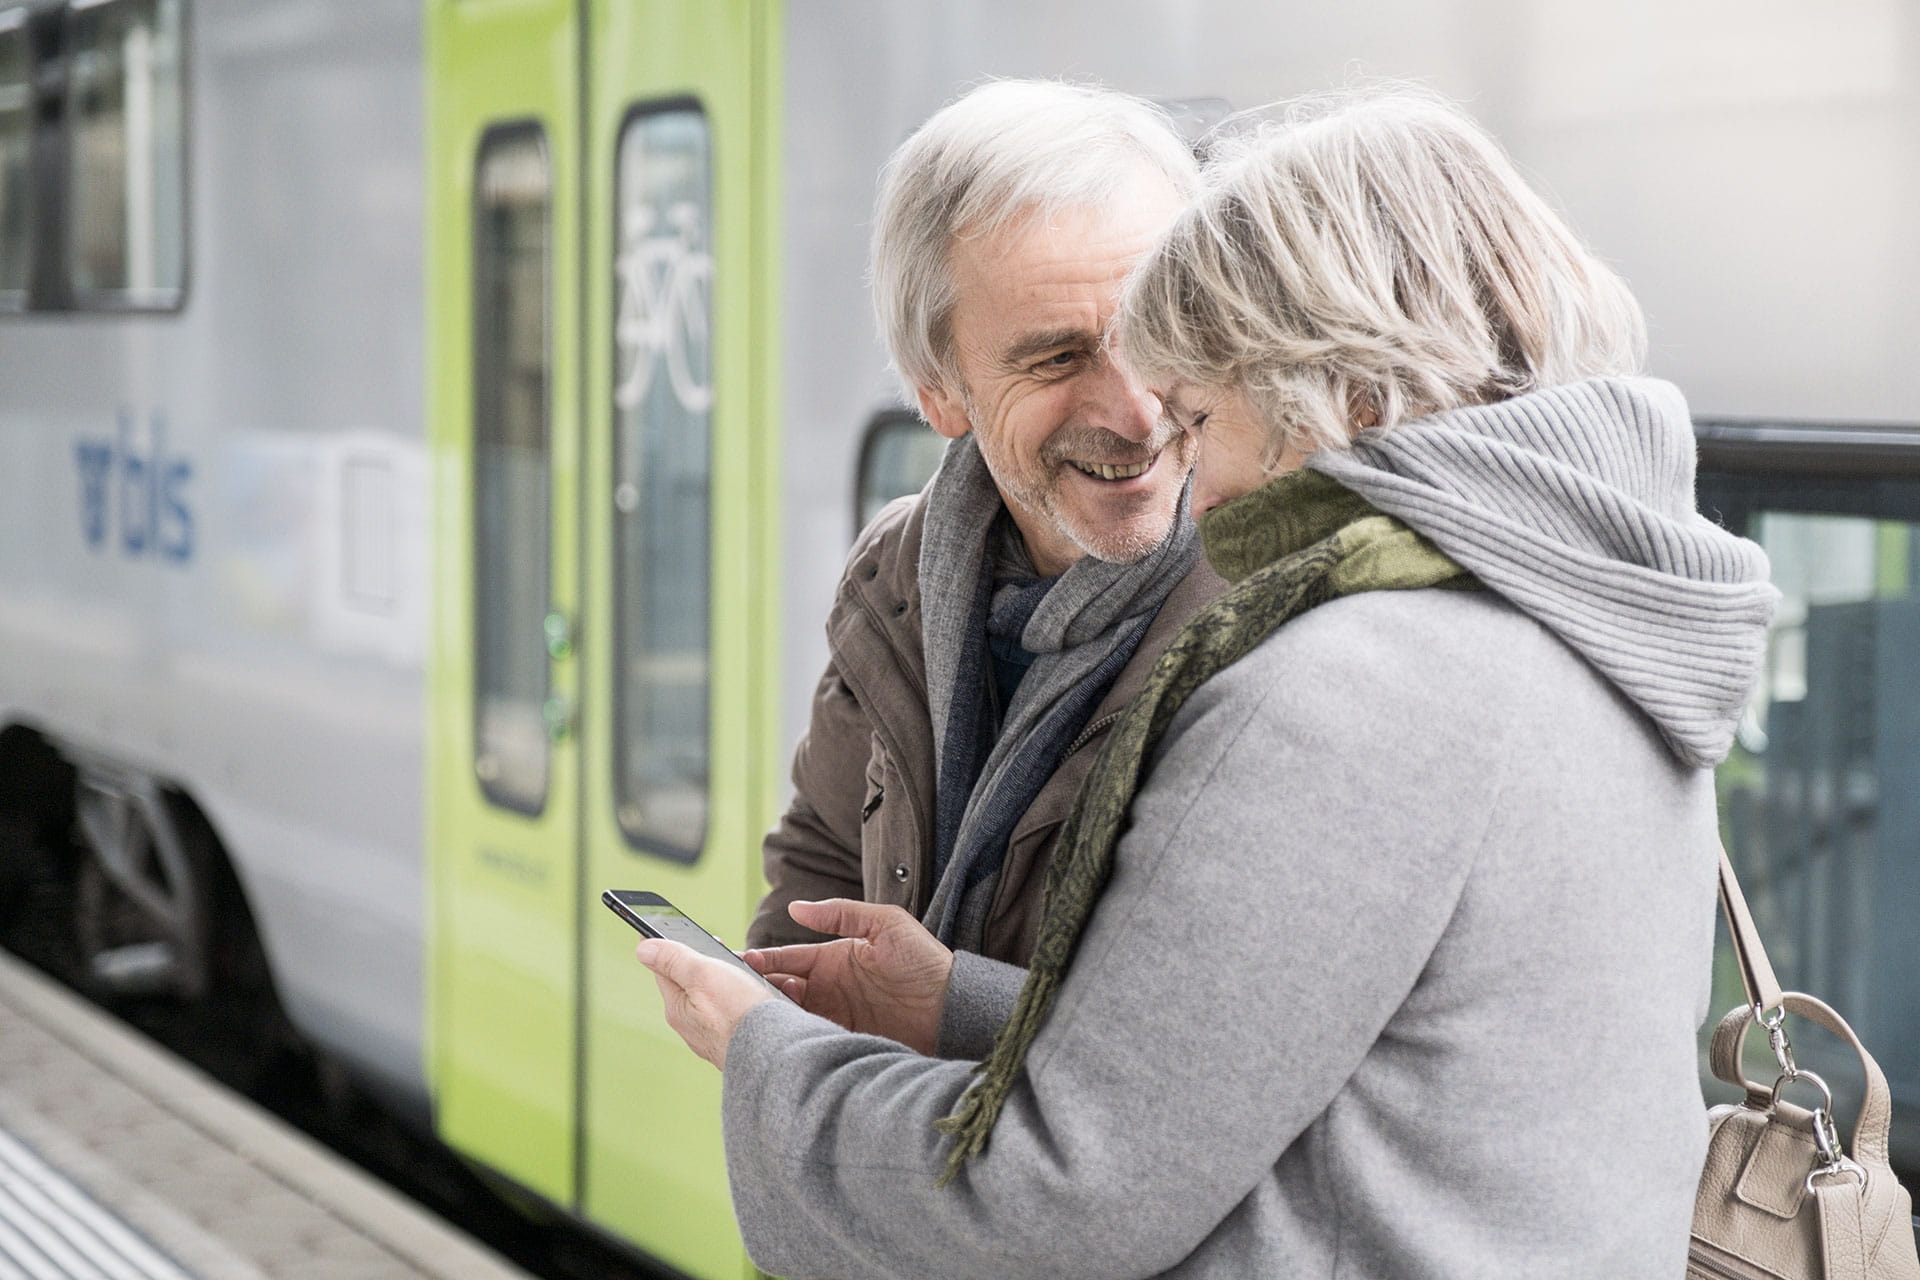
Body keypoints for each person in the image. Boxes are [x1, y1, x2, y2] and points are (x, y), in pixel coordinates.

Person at [638, 88, 1779, 1278]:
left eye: (1196, 401)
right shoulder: (1575, 600)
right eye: (1063, 356)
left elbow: (1067, 1190)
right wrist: (948, 1005)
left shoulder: (1345, 687)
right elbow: (1302, 1081)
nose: (1182, 460)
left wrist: (768, 1056)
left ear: (1331, 387)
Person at [746, 79, 1224, 1015]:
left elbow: (1223, 1045)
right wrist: (769, 1020)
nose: (1137, 413)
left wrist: (952, 1011)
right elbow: (821, 863)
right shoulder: (899, 576)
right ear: (939, 392)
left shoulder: (1285, 609)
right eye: (1058, 358)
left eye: (1157, 330)